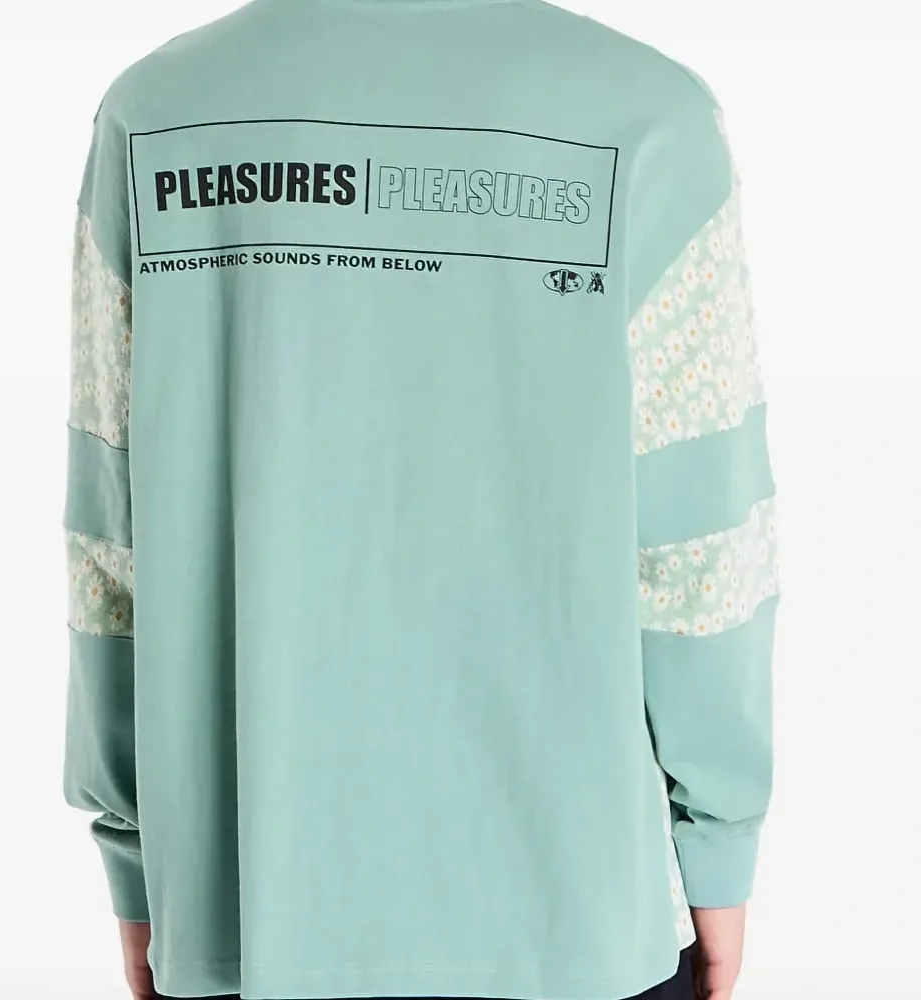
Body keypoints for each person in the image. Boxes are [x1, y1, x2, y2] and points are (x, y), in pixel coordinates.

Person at [61, 2, 778, 999]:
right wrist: (719, 842)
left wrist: (138, 858)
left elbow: (111, 539)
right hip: (578, 921)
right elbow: (703, 549)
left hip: (243, 910)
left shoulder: (156, 113)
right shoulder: (653, 117)